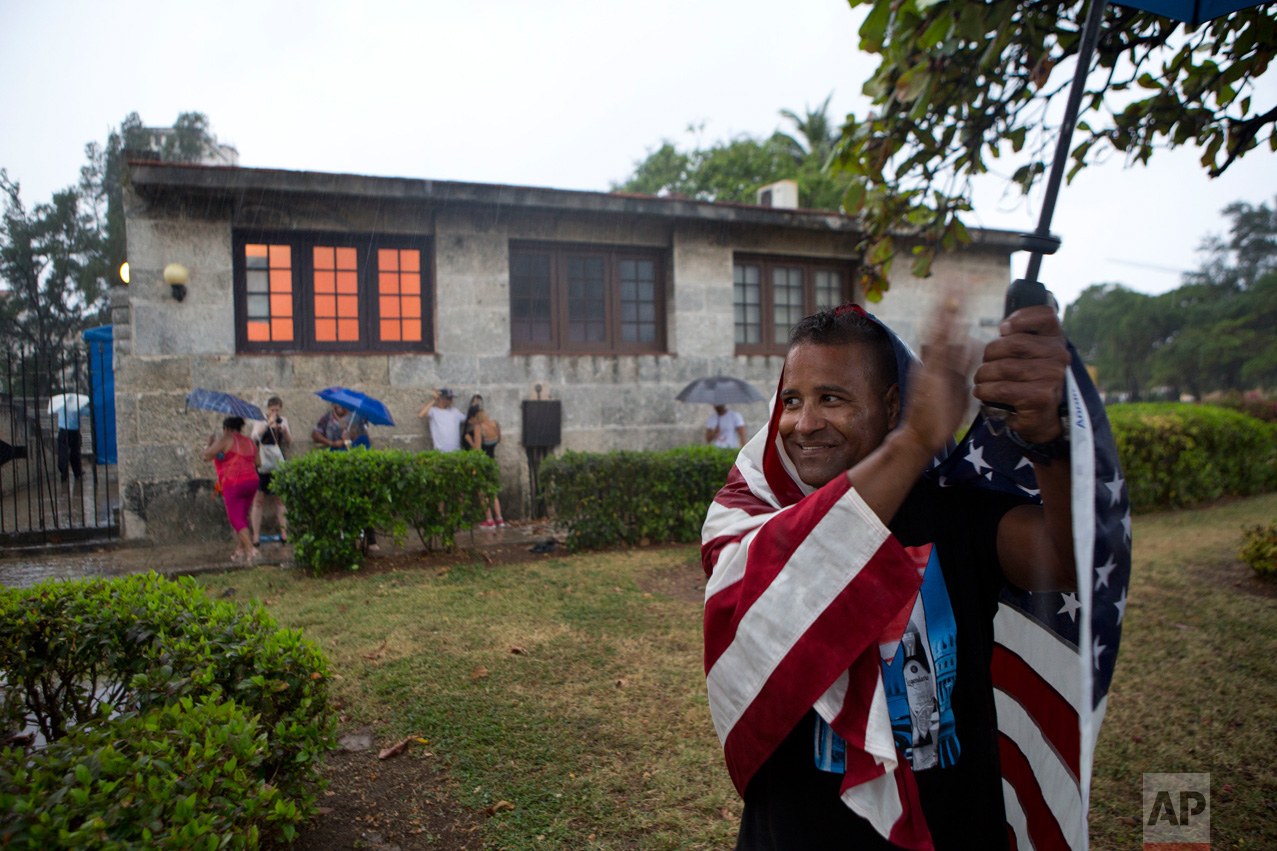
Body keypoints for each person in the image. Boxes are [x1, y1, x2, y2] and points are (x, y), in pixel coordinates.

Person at [701, 300, 1075, 850]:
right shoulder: (751, 515)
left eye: (832, 398)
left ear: (891, 402)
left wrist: (1047, 433)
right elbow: (774, 585)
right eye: (792, 400)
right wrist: (914, 442)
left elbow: (1063, 560)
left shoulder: (952, 511)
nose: (804, 424)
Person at [202, 416, 260, 564]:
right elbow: (258, 462)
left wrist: (209, 445)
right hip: (252, 482)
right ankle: (239, 552)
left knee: (235, 519)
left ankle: (251, 550)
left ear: (226, 428)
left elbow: (207, 456)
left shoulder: (226, 438)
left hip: (234, 483)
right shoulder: (249, 441)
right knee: (242, 517)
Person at [250, 396, 291, 546]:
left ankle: (284, 532)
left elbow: (288, 441)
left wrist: (284, 430)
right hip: (262, 463)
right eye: (272, 410)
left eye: (277, 410)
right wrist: (268, 424)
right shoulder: (260, 420)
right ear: (268, 409)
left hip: (276, 463)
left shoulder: (283, 420)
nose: (275, 412)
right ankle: (255, 535)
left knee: (279, 499)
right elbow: (254, 436)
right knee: (259, 499)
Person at [466, 405, 505, 527]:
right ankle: (499, 519)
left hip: (483, 464)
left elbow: (477, 449)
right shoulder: (495, 424)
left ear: (475, 417)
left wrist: (469, 440)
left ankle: (489, 520)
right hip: (492, 462)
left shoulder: (479, 428)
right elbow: (499, 440)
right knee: (492, 492)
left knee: (482, 492)